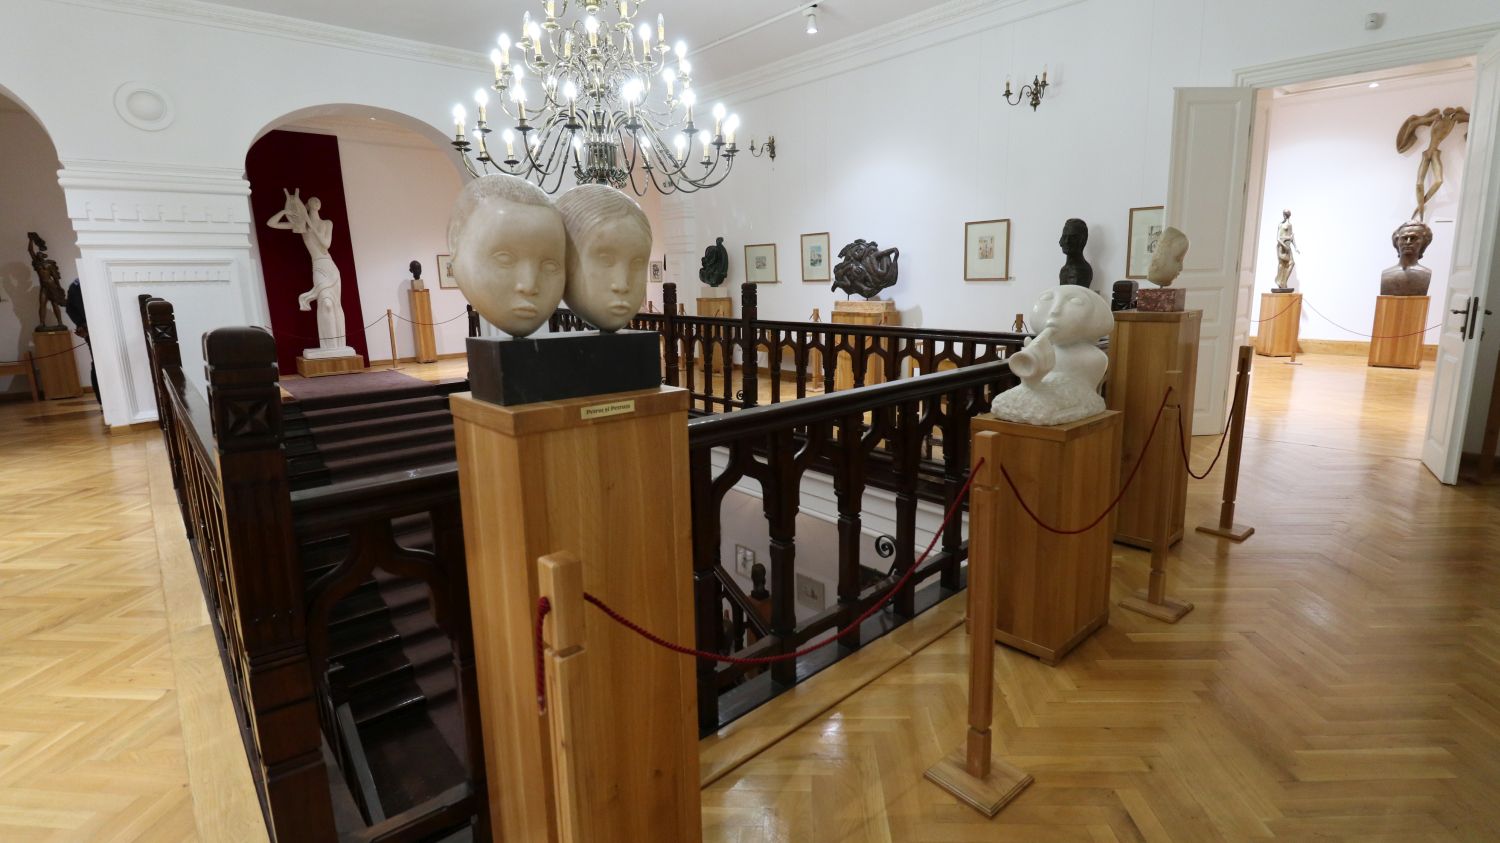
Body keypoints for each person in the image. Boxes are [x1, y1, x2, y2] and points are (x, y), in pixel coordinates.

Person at [266, 190, 350, 353]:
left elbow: (326, 244)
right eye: (313, 200)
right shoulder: (302, 225)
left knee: (335, 305)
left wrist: (311, 225)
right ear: (307, 205)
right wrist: (284, 211)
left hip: (331, 267)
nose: (316, 202)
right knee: (326, 304)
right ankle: (329, 346)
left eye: (318, 201)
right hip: (318, 267)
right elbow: (271, 223)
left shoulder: (327, 223)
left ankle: (338, 346)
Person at [64, 279, 99, 404]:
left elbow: (69, 309)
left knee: (98, 363)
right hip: (94, 330)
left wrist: (81, 324)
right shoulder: (79, 284)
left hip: (92, 329)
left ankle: (104, 402)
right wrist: (82, 324)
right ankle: (103, 401)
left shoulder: (77, 284)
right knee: (98, 364)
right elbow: (71, 309)